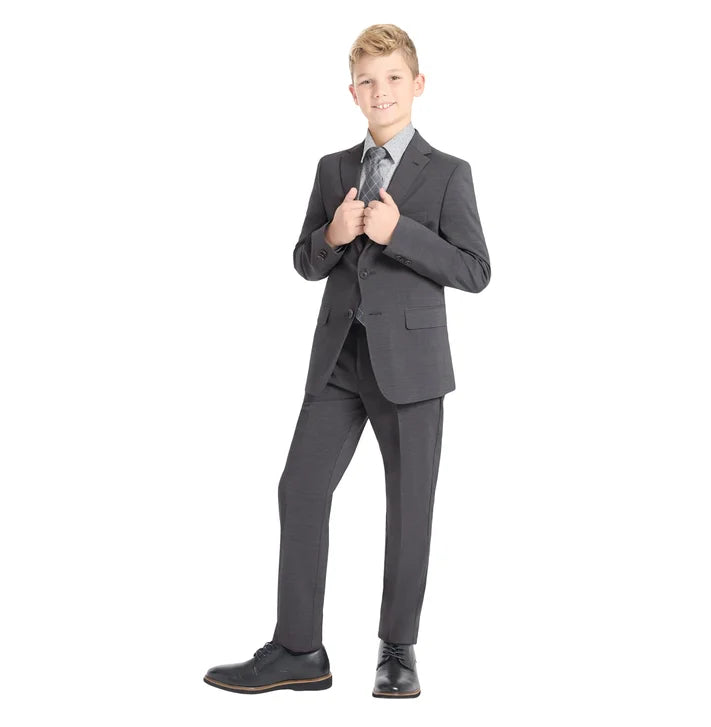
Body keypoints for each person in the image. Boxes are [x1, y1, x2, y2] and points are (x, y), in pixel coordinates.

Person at [204, 23, 490, 699]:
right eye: (367, 80)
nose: (379, 91)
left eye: (392, 78)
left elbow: (475, 270)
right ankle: (299, 648)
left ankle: (397, 648)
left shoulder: (448, 172)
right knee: (299, 488)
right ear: (352, 92)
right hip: (338, 360)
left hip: (411, 367)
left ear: (417, 85)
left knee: (408, 506)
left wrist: (400, 233)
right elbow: (306, 261)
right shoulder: (332, 168)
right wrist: (332, 234)